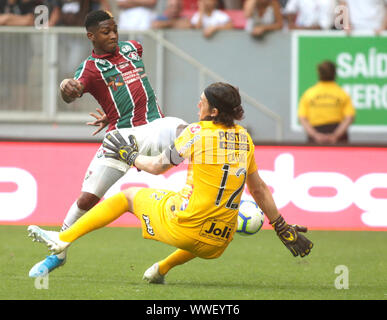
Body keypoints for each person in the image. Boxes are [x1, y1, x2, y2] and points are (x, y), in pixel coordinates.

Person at [28, 82, 313, 284]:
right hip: (219, 244)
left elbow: (155, 167)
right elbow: (259, 188)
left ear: (213, 111)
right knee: (204, 220)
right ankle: (160, 269)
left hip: (184, 228)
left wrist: (129, 155)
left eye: (202, 101)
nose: (197, 104)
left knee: (128, 196)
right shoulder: (244, 139)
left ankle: (62, 238)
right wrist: (282, 228)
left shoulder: (196, 132)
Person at [28, 9, 187, 278]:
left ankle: (198, 186)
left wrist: (115, 107)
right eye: (106, 32)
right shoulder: (90, 69)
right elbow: (72, 89)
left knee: (186, 130)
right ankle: (58, 253)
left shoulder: (132, 48)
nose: (113, 35)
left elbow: (128, 87)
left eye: (115, 29)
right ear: (91, 37)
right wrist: (66, 85)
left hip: (155, 125)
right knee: (87, 198)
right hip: (121, 137)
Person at [298, 61, 356, 145]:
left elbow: (302, 118)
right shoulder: (342, 94)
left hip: (316, 133)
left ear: (318, 73)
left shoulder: (309, 94)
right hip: (338, 134)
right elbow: (349, 117)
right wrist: (336, 135)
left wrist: (315, 135)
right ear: (335, 73)